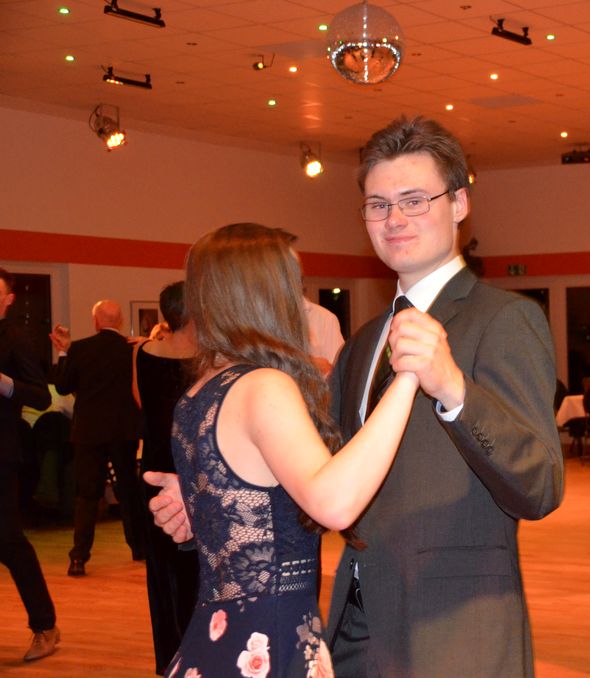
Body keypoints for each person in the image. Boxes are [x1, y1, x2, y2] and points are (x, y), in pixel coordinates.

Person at [150, 117, 564, 677]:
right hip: (353, 626)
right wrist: (216, 498)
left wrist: (454, 391)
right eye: (378, 205)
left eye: (414, 200)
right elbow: (318, 473)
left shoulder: (505, 320)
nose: (395, 219)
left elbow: (540, 487)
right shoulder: (366, 341)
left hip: (454, 629)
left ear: (459, 204)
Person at [149, 222, 420, 677]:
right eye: (293, 283)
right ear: (265, 293)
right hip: (267, 643)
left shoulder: (197, 395)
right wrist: (408, 377)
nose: (300, 299)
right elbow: (334, 503)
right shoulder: (264, 387)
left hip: (218, 638)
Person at [132, 281, 199, 675]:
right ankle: (196, 653)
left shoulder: (142, 352)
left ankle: (170, 658)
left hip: (154, 464)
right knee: (194, 567)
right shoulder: (207, 356)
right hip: (189, 464)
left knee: (161, 568)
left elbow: (140, 399)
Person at [50, 299, 144, 576]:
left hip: (89, 432)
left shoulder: (80, 348)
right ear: (120, 322)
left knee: (87, 494)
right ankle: (139, 548)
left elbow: (62, 386)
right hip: (124, 430)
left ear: (96, 321)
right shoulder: (132, 350)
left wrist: (64, 352)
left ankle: (79, 557)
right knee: (128, 490)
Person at [0, 267, 60, 661]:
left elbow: (41, 396)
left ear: (7, 299)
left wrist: (4, 384)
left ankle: (45, 624)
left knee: (8, 541)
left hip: (1, 456)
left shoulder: (16, 338)